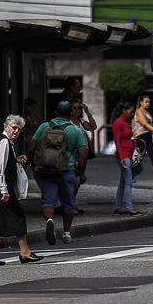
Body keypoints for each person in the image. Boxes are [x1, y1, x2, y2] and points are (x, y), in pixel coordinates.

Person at [0, 115, 41, 265]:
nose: (16, 131)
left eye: (18, 129)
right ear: (6, 126)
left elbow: (0, 161)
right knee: (17, 216)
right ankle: (25, 253)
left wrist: (15, 160)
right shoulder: (4, 142)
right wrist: (3, 190)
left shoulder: (3, 141)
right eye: (13, 127)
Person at [29, 101, 87, 245]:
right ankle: (67, 234)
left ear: (55, 112)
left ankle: (49, 220)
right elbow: (83, 155)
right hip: (67, 170)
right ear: (70, 113)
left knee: (48, 201)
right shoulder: (75, 130)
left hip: (46, 170)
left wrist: (34, 163)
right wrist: (79, 174)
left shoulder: (44, 126)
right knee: (69, 203)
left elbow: (32, 146)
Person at [112, 102, 140, 216]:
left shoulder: (126, 122)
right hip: (124, 155)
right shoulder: (118, 123)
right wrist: (122, 157)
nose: (132, 113)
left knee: (123, 182)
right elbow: (117, 141)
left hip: (128, 154)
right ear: (124, 110)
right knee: (128, 181)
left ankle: (118, 207)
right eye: (130, 111)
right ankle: (129, 207)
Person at [69, 99, 97, 214]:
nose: (77, 110)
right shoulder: (68, 122)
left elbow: (93, 127)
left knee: (79, 180)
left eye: (79, 108)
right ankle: (69, 205)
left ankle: (72, 204)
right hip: (73, 154)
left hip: (83, 155)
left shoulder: (81, 121)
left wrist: (87, 111)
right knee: (72, 180)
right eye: (74, 108)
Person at [132, 94, 153, 173]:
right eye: (146, 102)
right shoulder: (139, 112)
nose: (148, 103)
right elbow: (145, 124)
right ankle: (128, 175)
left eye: (149, 102)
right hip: (140, 137)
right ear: (141, 102)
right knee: (136, 158)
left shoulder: (146, 112)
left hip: (147, 136)